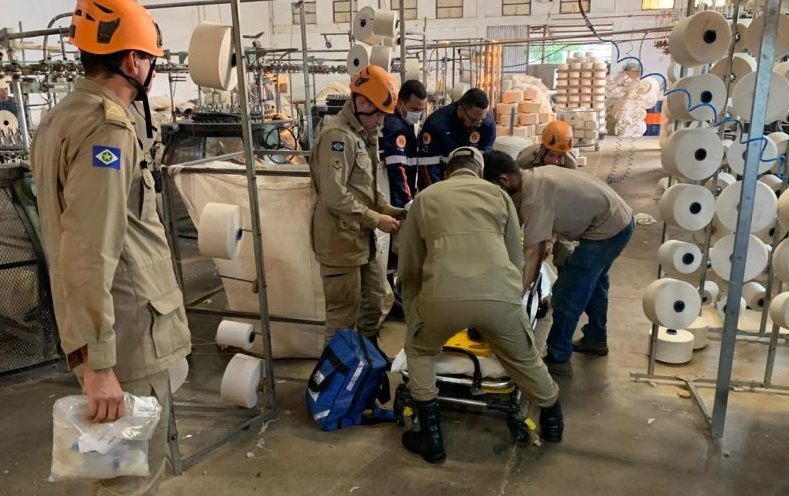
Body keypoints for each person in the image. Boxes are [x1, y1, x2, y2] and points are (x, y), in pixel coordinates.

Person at [30, 1, 190, 494]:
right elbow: (89, 250)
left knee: (116, 470)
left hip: (108, 328)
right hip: (127, 336)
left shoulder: (62, 116)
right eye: (150, 58)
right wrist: (99, 363)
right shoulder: (108, 128)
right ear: (135, 61)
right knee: (130, 476)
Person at [398, 146, 563, 464]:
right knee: (524, 357)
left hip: (441, 297)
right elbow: (516, 255)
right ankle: (553, 419)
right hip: (498, 296)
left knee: (418, 351)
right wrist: (509, 300)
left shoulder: (425, 198)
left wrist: (414, 309)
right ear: (478, 171)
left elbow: (410, 265)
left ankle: (432, 439)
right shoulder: (499, 196)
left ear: (448, 172)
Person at [483, 151, 634, 378]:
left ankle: (557, 357)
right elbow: (525, 226)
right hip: (618, 219)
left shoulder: (535, 196)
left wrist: (518, 294)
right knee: (595, 284)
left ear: (504, 180)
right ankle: (595, 338)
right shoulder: (534, 176)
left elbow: (534, 250)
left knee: (567, 292)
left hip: (607, 230)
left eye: (494, 187)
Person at [310, 65, 407, 343]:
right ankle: (336, 381)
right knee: (343, 318)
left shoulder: (362, 136)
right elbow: (333, 195)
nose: (380, 121)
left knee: (373, 302)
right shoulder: (337, 137)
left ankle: (367, 366)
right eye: (378, 113)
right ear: (361, 103)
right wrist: (377, 220)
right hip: (339, 242)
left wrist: (394, 212)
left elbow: (367, 189)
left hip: (360, 239)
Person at [417, 88, 495, 188]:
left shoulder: (486, 123)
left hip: (471, 182)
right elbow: (428, 166)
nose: (477, 125)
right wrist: (438, 193)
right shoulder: (436, 124)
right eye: (473, 120)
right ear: (460, 110)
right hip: (439, 180)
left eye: (480, 120)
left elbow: (486, 160)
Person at [380, 79, 427, 208]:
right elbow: (397, 166)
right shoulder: (396, 127)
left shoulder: (405, 122)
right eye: (415, 109)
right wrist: (407, 200)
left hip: (402, 191)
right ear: (401, 103)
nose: (418, 114)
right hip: (397, 198)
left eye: (421, 110)